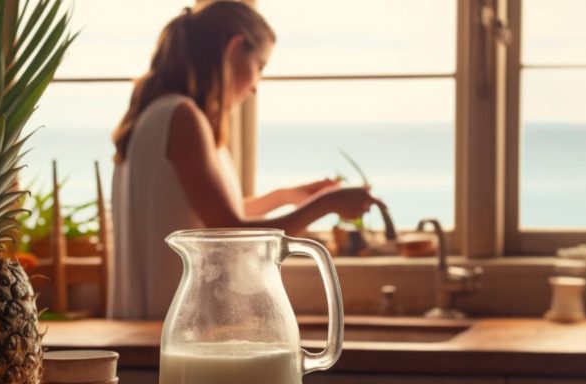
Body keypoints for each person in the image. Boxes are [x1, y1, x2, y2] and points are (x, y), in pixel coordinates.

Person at [109, 0, 382, 320]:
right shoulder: (183, 117)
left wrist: (286, 198)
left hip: (158, 325)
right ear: (235, 48)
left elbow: (203, 214)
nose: (255, 87)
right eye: (260, 67)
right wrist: (327, 204)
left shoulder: (156, 113)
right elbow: (229, 231)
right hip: (179, 325)